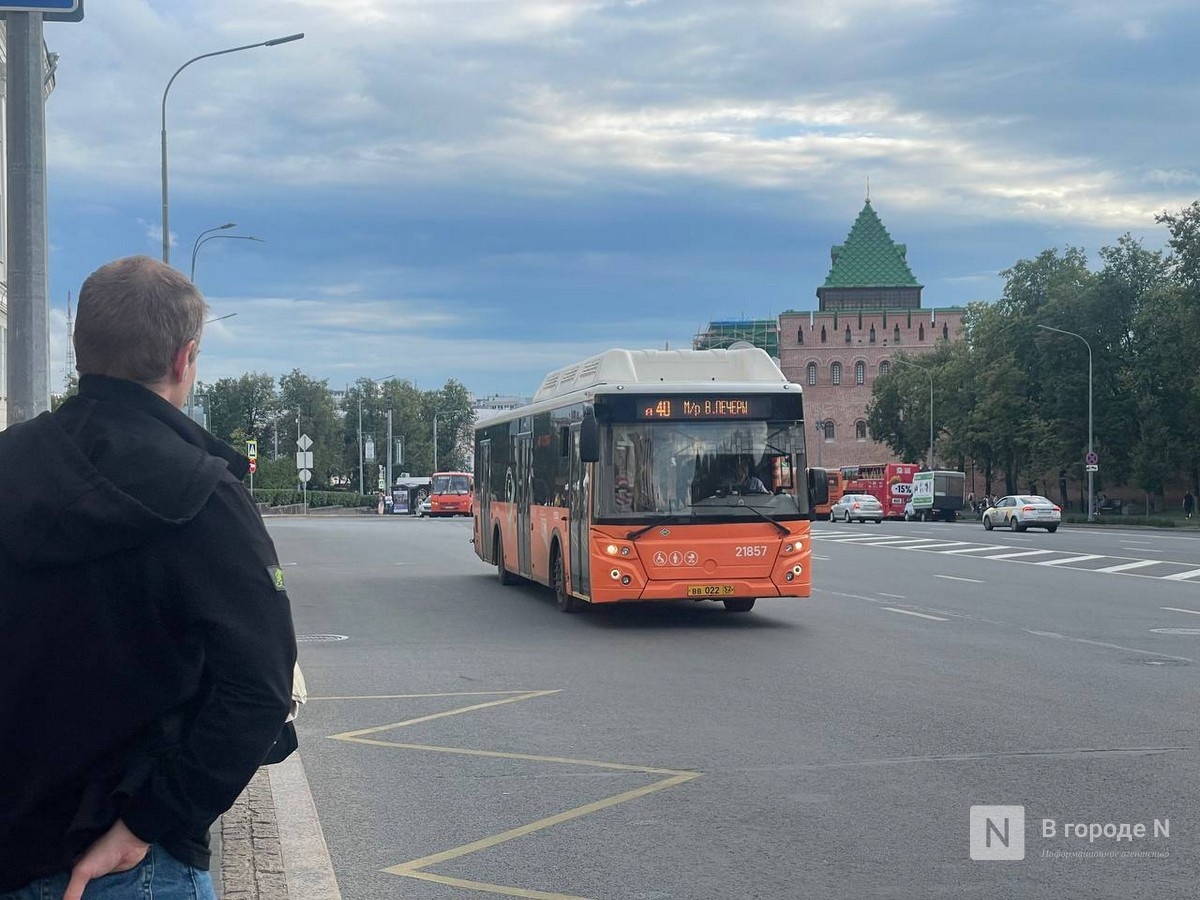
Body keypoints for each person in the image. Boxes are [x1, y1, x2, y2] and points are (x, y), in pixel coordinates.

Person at [0, 257, 297, 900]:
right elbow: (259, 690)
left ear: (80, 347)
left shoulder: (8, 465)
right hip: (132, 866)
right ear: (185, 358)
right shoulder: (205, 494)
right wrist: (148, 822)